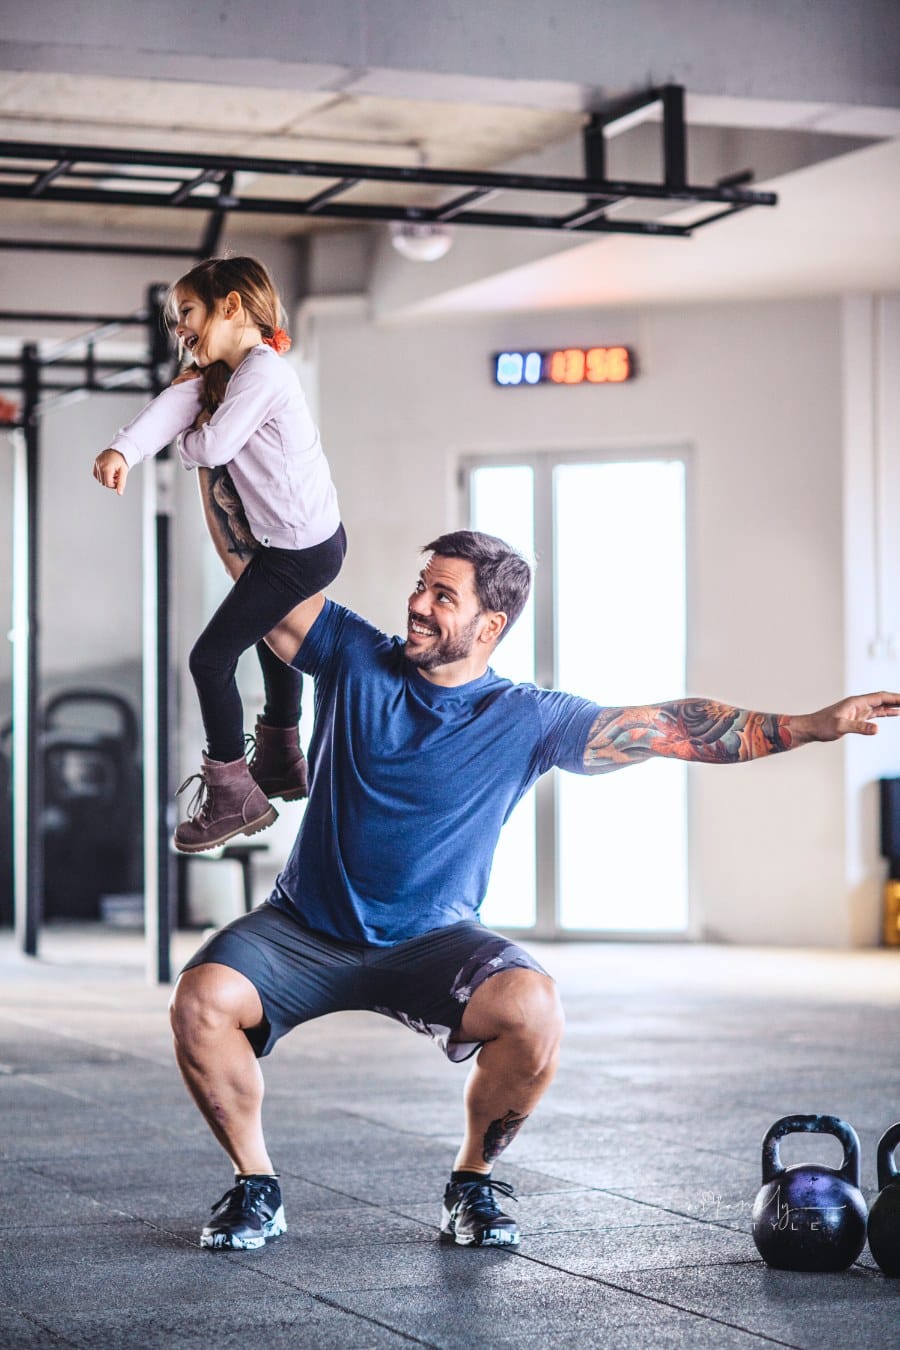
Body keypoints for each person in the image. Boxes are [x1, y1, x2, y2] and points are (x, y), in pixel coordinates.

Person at [169, 529, 900, 1252]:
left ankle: (473, 1182)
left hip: (434, 941)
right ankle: (255, 1184)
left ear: (491, 625)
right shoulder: (354, 654)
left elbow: (675, 728)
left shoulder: (526, 718)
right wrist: (206, 439)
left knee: (534, 1010)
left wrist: (808, 726)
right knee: (201, 1000)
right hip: (304, 929)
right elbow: (254, 568)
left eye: (442, 595)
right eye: (421, 585)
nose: (418, 604)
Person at [92, 256, 346, 853]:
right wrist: (122, 451)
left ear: (231, 307)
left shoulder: (264, 373)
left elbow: (214, 441)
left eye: (187, 313)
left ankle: (232, 792)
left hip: (302, 552)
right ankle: (283, 758)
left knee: (209, 660)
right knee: (269, 636)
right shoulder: (222, 375)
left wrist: (185, 439)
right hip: (294, 546)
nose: (179, 328)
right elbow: (173, 407)